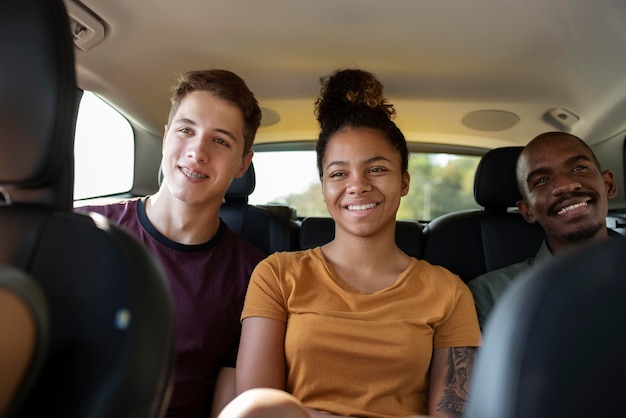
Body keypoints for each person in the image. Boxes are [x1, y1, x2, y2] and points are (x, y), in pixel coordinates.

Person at [219, 68, 482, 418]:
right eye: (339, 173)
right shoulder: (277, 274)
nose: (357, 186)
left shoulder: (449, 292)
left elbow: (452, 413)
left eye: (376, 169)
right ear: (325, 187)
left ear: (404, 180)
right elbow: (257, 408)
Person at [77, 69, 267, 418]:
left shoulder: (254, 275)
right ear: (166, 137)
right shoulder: (83, 229)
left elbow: (227, 405)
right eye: (186, 130)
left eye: (221, 140)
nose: (197, 151)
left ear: (243, 164)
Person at [468, 131, 618, 330]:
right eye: (541, 181)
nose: (565, 185)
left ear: (608, 185)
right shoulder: (491, 294)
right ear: (528, 211)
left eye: (578, 168)